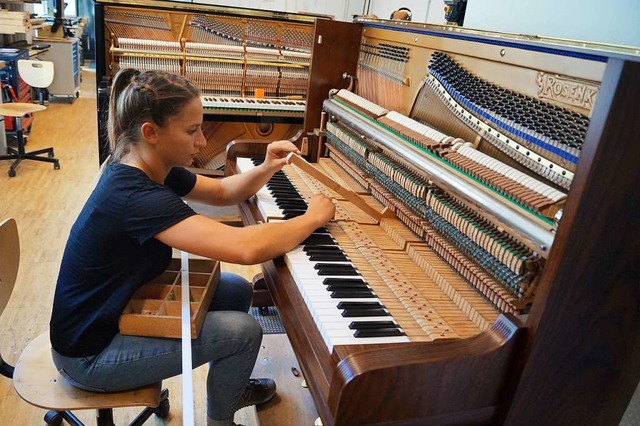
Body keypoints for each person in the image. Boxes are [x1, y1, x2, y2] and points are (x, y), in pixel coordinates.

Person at [49, 68, 336, 426]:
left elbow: (222, 192)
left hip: (111, 316)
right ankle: (220, 420)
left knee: (234, 289)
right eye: (191, 130)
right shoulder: (135, 195)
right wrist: (312, 218)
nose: (201, 140)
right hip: (90, 357)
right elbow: (245, 248)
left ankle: (229, 387)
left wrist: (266, 166)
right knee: (244, 331)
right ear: (151, 133)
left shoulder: (150, 166)